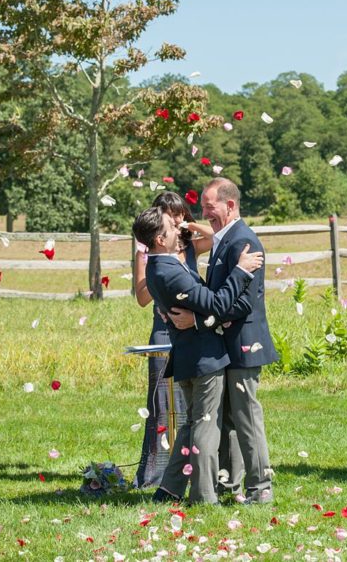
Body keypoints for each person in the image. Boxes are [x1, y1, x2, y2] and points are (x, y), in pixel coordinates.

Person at [133, 206, 263, 503]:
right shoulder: (167, 270)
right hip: (204, 356)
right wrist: (241, 270)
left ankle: (170, 488)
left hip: (190, 355)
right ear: (157, 239)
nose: (177, 231)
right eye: (170, 228)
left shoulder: (159, 265)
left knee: (193, 423)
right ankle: (204, 495)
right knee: (206, 425)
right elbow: (216, 303)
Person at [169, 177, 278, 504]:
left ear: (230, 205)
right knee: (229, 422)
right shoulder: (223, 239)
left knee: (247, 421)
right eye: (203, 207)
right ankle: (229, 486)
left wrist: (198, 320)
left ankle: (261, 490)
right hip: (225, 346)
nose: (205, 214)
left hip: (245, 346)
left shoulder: (245, 242)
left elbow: (245, 303)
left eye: (209, 207)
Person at [131, 191, 214, 488]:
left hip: (192, 327)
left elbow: (218, 236)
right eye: (169, 214)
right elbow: (141, 297)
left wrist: (191, 230)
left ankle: (188, 468)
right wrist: (163, 278)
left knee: (188, 404)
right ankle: (155, 470)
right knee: (161, 404)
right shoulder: (148, 255)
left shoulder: (190, 246)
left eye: (179, 214)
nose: (176, 219)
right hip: (164, 327)